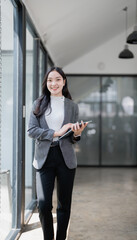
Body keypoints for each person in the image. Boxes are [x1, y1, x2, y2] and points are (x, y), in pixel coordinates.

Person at [27, 66, 88, 240]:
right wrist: (56, 133)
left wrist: (77, 133)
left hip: (66, 158)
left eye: (57, 79)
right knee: (44, 204)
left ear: (64, 82)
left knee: (64, 204)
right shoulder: (38, 103)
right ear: (46, 83)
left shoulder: (72, 106)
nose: (53, 83)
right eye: (50, 80)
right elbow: (31, 130)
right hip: (44, 158)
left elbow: (73, 137)